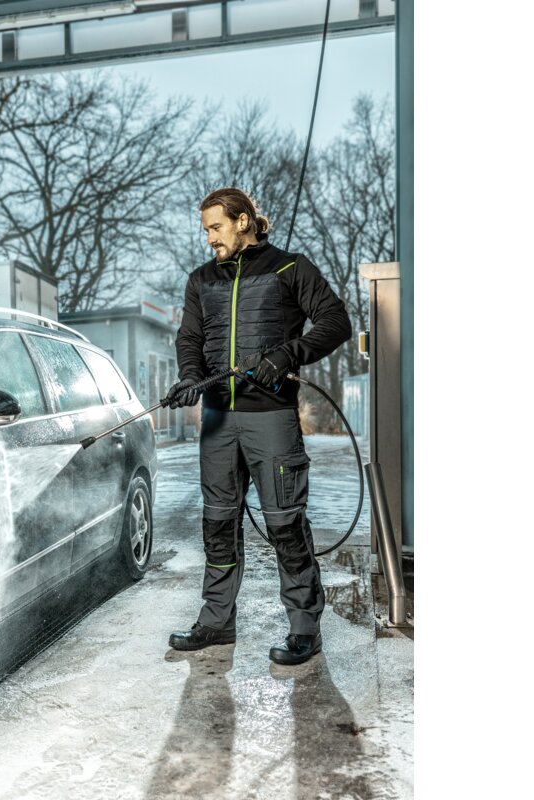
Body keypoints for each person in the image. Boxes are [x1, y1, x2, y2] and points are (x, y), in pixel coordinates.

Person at [162, 187, 352, 665]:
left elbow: (335, 322)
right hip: (217, 421)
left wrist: (288, 354)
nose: (209, 238)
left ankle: (304, 628)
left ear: (242, 221)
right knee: (218, 523)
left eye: (216, 227)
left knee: (285, 523)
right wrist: (190, 377)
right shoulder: (201, 279)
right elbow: (190, 339)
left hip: (271, 419)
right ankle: (216, 621)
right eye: (206, 230)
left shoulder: (290, 268)